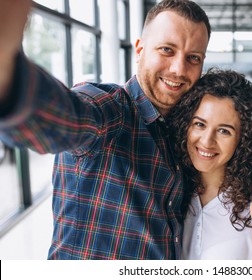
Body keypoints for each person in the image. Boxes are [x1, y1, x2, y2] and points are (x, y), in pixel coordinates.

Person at [0, 0, 210, 259]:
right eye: (167, 50)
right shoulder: (111, 109)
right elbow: (65, 119)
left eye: (193, 58)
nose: (179, 69)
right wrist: (7, 74)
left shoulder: (183, 134)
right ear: (140, 50)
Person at [167, 68, 252, 259]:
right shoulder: (168, 190)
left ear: (244, 140)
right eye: (200, 124)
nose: (206, 141)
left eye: (224, 131)